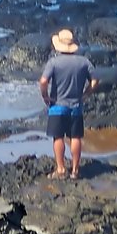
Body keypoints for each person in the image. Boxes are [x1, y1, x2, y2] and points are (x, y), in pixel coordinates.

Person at [38, 28, 95, 180]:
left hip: (57, 106)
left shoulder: (54, 62)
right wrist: (86, 94)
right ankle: (75, 170)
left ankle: (61, 169)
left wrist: (45, 96)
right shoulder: (84, 62)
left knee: (58, 137)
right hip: (76, 106)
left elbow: (43, 81)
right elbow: (95, 81)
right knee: (75, 137)